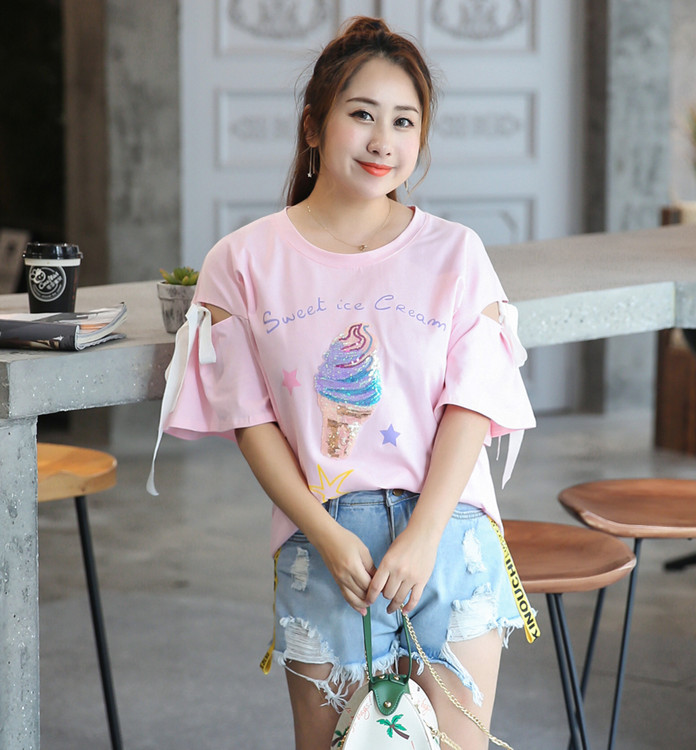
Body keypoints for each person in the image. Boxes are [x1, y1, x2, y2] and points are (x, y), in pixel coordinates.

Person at [149, 15, 536, 750]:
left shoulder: (457, 252)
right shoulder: (242, 261)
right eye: (362, 114)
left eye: (404, 121)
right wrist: (325, 535)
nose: (383, 141)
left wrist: (423, 536)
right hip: (324, 548)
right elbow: (251, 422)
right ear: (313, 125)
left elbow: (472, 405)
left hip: (449, 539)